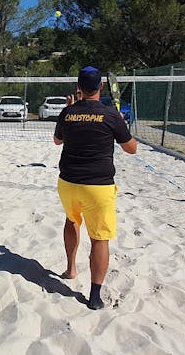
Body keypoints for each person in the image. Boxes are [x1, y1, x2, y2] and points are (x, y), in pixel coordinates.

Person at [53, 66, 138, 310]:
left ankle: (71, 270)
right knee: (100, 239)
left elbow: (57, 141)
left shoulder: (67, 113)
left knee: (72, 221)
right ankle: (94, 296)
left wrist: (69, 114)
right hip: (97, 186)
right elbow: (131, 149)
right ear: (101, 87)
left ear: (78, 87)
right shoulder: (110, 115)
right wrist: (122, 126)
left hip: (68, 182)